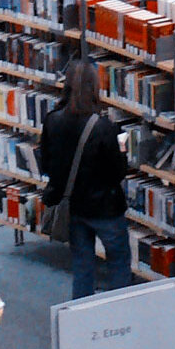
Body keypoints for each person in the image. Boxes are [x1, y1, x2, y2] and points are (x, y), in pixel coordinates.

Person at [41, 60, 131, 299]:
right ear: (94, 88)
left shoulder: (52, 120)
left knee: (82, 266)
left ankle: (82, 321)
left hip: (74, 207)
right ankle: (120, 316)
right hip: (106, 210)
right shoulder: (105, 128)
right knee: (119, 262)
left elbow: (47, 164)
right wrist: (122, 146)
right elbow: (118, 172)